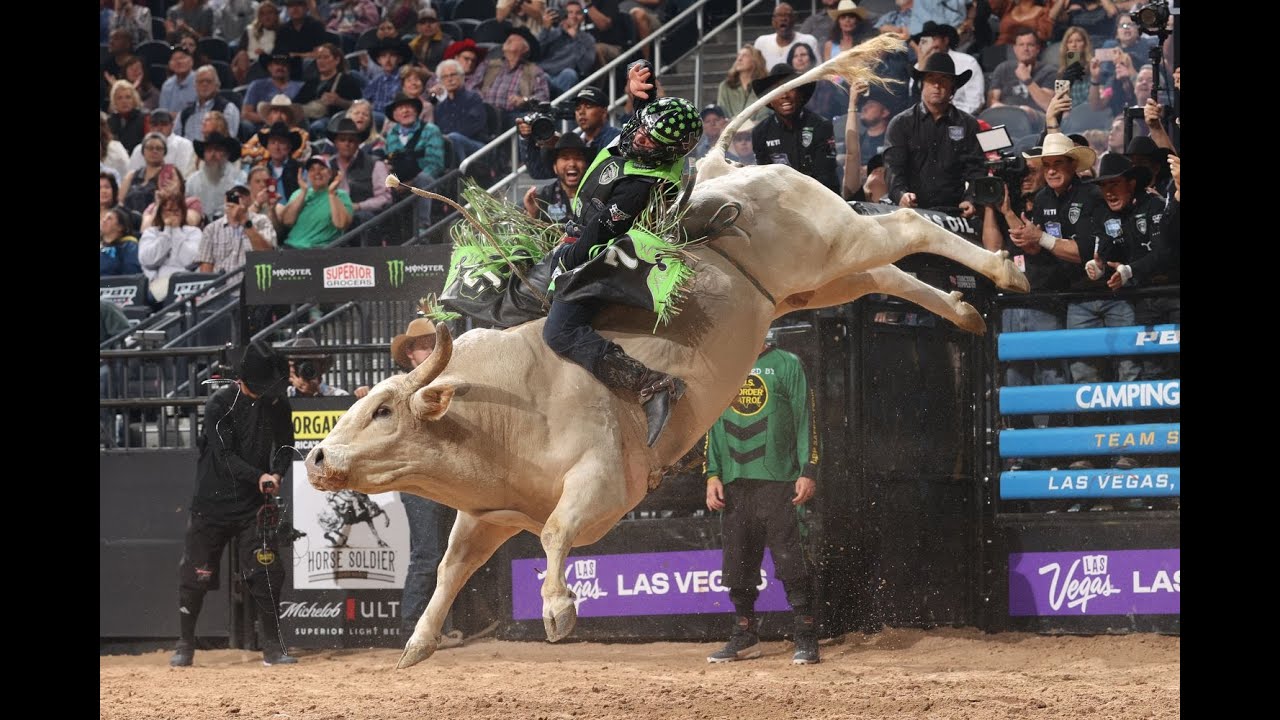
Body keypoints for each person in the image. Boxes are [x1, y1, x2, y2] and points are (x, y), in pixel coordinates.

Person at [540, 62, 702, 447]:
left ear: (665, 153)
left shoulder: (641, 186)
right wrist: (638, 95)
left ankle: (649, 382)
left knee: (559, 332)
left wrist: (565, 259)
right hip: (585, 234)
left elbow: (599, 235)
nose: (638, 137)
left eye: (648, 139)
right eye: (640, 127)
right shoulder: (650, 144)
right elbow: (652, 120)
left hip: (612, 257)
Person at [169, 341, 298, 668]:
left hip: (253, 504)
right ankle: (185, 643)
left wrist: (277, 473)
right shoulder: (219, 404)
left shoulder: (278, 405)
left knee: (265, 569)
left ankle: (272, 646)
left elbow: (285, 445)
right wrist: (261, 476)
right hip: (211, 505)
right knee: (195, 576)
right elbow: (224, 457)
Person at [704, 334, 821, 665]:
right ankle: (745, 636)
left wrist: (808, 469)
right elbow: (710, 422)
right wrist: (712, 473)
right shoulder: (724, 367)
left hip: (779, 480)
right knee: (737, 563)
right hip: (734, 482)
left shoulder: (787, 364)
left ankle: (806, 636)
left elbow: (805, 419)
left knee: (791, 561)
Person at [383, 317, 462, 648]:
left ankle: (430, 629)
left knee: (444, 553)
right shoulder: (402, 387)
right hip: (420, 479)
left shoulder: (444, 383)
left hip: (441, 477)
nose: (427, 351)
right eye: (421, 347)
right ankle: (413, 631)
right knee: (429, 554)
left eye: (432, 345)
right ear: (411, 354)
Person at [882, 52, 985, 217]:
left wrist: (971, 199)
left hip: (955, 211)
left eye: (944, 79)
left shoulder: (969, 125)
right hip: (912, 210)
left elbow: (977, 170)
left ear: (953, 87)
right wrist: (901, 195)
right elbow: (893, 168)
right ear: (922, 84)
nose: (937, 85)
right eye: (931, 79)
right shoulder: (901, 124)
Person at [750, 63, 839, 193]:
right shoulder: (760, 133)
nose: (784, 95)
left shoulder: (820, 126)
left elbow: (825, 177)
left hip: (820, 200)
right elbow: (765, 180)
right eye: (777, 90)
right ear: (769, 100)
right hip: (781, 203)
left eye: (790, 87)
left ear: (801, 94)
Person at [519, 86, 620, 180]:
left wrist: (567, 147)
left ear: (604, 112)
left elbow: (605, 175)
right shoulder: (578, 141)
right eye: (578, 108)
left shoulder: (617, 138)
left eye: (588, 106)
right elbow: (538, 172)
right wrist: (527, 139)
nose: (581, 112)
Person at [197, 184, 278, 274]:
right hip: (222, 286)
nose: (237, 200)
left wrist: (245, 221)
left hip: (253, 284)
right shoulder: (211, 229)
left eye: (241, 196)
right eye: (233, 197)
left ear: (249, 199)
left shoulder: (261, 221)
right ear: (226, 200)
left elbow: (268, 255)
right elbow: (205, 271)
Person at [278, 154, 353, 249]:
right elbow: (287, 221)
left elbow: (341, 224)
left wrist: (331, 194)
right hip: (291, 247)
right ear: (308, 174)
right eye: (312, 169)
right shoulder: (298, 193)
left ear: (330, 173)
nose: (317, 173)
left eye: (321, 168)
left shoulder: (341, 195)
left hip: (321, 251)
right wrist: (303, 192)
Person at [139, 192, 204, 303]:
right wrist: (167, 233)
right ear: (160, 213)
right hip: (155, 285)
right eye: (168, 211)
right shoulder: (151, 233)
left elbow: (189, 261)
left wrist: (176, 230)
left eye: (176, 211)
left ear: (183, 212)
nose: (172, 215)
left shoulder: (194, 232)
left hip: (184, 283)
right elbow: (148, 260)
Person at [909, 21, 984, 116]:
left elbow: (975, 103)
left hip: (960, 119)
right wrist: (922, 67)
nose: (931, 45)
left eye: (934, 39)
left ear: (945, 40)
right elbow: (914, 103)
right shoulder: (918, 67)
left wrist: (948, 115)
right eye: (924, 41)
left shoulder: (967, 62)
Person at [479, 27, 551, 125]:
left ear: (525, 48)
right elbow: (470, 87)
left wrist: (524, 100)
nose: (509, 39)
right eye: (508, 38)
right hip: (483, 114)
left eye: (514, 38)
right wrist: (479, 97)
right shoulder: (489, 65)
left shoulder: (534, 71)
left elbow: (543, 99)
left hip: (512, 118)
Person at [328, 118, 391, 231]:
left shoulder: (375, 164)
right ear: (335, 143)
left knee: (362, 217)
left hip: (363, 218)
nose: (347, 144)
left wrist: (359, 206)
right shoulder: (328, 165)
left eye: (351, 140)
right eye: (342, 140)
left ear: (358, 143)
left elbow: (385, 197)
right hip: (333, 214)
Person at [428, 59, 489, 162]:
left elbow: (474, 127)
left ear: (462, 77)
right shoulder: (440, 107)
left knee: (454, 137)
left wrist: (447, 139)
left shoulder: (473, 98)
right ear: (441, 81)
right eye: (445, 77)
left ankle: (463, 174)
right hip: (450, 146)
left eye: (453, 75)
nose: (450, 79)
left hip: (476, 145)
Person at [987, 27, 1058, 113]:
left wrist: (1027, 80)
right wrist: (1014, 112)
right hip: (1006, 116)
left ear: (1037, 49)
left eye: (1030, 45)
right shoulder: (1003, 69)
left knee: (1027, 110)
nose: (1025, 49)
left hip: (1036, 119)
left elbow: (1048, 106)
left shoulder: (1049, 71)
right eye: (1021, 45)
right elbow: (992, 102)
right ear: (1015, 49)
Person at [523, 132, 588, 224]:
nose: (572, 164)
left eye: (578, 158)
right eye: (565, 158)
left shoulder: (598, 197)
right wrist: (533, 215)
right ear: (555, 167)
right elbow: (534, 236)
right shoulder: (542, 199)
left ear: (586, 166)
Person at [536, 0, 596, 98]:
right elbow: (537, 53)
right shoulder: (553, 33)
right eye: (570, 13)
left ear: (583, 17)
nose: (574, 16)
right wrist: (545, 30)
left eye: (578, 13)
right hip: (545, 73)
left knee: (569, 74)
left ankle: (561, 110)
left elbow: (585, 66)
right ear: (564, 15)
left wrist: (576, 38)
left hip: (564, 77)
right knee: (540, 75)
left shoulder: (588, 39)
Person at [177, 65, 242, 142]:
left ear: (217, 85)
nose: (204, 84)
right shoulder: (184, 113)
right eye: (200, 81)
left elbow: (229, 141)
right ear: (195, 86)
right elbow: (176, 140)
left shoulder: (228, 108)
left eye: (209, 81)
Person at [188, 132, 247, 215]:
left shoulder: (240, 178)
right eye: (209, 150)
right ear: (203, 155)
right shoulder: (192, 181)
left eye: (218, 149)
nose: (213, 154)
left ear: (227, 154)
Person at [127, 110, 198, 178]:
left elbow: (184, 174)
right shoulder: (139, 149)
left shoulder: (184, 145)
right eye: (155, 125)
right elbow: (132, 176)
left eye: (164, 124)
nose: (159, 128)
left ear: (172, 125)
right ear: (149, 126)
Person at [242, 53, 304, 127]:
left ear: (290, 67)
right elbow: (246, 113)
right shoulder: (256, 85)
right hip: (261, 127)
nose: (280, 67)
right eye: (277, 64)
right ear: (269, 67)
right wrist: (271, 120)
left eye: (284, 64)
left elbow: (303, 112)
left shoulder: (301, 87)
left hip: (293, 127)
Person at [754, 3, 820, 70]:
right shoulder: (761, 43)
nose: (783, 19)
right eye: (779, 15)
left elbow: (819, 70)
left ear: (794, 19)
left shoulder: (809, 41)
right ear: (773, 21)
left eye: (787, 15)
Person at [281, 338, 350, 397]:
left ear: (321, 366)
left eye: (310, 363)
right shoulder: (282, 396)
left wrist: (316, 393)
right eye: (299, 363)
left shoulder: (339, 396)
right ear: (292, 368)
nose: (305, 368)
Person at [717, 45, 769, 123]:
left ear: (755, 60)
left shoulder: (765, 86)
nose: (739, 59)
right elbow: (722, 113)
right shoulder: (725, 86)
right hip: (730, 131)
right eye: (738, 56)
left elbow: (765, 115)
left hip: (758, 131)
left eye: (745, 56)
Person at [101, 206, 143, 276]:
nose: (104, 220)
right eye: (104, 217)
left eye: (109, 219)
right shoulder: (101, 247)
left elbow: (131, 274)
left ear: (120, 227)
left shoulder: (129, 246)